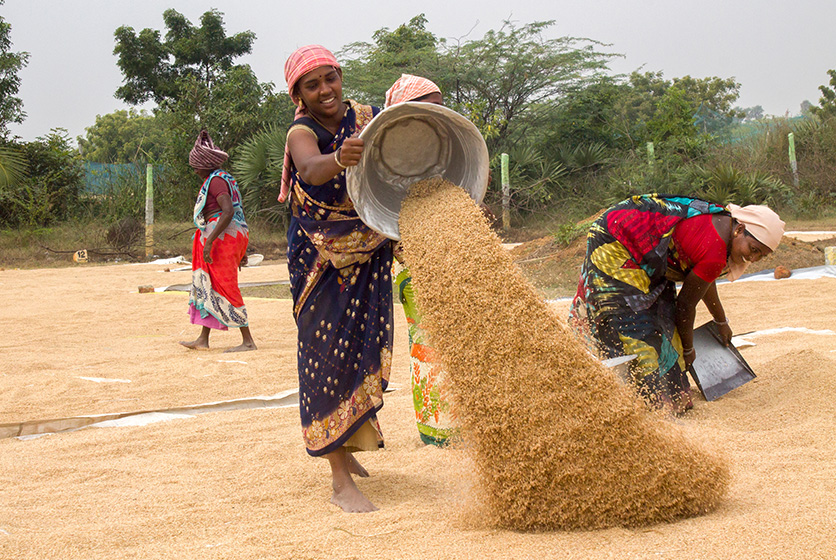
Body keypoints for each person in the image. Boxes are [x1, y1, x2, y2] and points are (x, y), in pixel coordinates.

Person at [282, 45, 392, 513]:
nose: (325, 90)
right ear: (299, 95)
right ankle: (339, 477)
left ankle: (349, 441)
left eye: (330, 78)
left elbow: (403, 154)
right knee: (325, 355)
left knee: (360, 346)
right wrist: (340, 159)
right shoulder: (300, 131)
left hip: (369, 247)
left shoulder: (369, 118)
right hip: (319, 257)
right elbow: (310, 168)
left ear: (340, 76)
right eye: (313, 84)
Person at [569, 194, 784, 414]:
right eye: (754, 249)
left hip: (649, 256)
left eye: (762, 256)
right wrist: (689, 349)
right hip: (618, 240)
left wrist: (721, 321)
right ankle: (634, 406)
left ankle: (669, 401)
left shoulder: (725, 224)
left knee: (664, 323)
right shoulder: (715, 250)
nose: (754, 259)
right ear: (740, 230)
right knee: (633, 323)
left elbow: (704, 279)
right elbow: (685, 306)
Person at [386, 74, 459, 445]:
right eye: (431, 107)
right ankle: (438, 430)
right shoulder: (389, 158)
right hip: (415, 263)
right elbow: (380, 212)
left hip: (454, 254)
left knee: (463, 339)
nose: (439, 114)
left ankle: (469, 422)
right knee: (429, 340)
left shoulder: (445, 151)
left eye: (441, 106)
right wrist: (398, 243)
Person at [180, 130, 256, 353]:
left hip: (222, 237)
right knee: (209, 283)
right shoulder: (225, 179)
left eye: (197, 166)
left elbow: (228, 211)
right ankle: (203, 339)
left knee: (225, 283)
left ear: (206, 165)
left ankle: (248, 340)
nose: (195, 170)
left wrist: (211, 240)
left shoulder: (215, 181)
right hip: (232, 236)